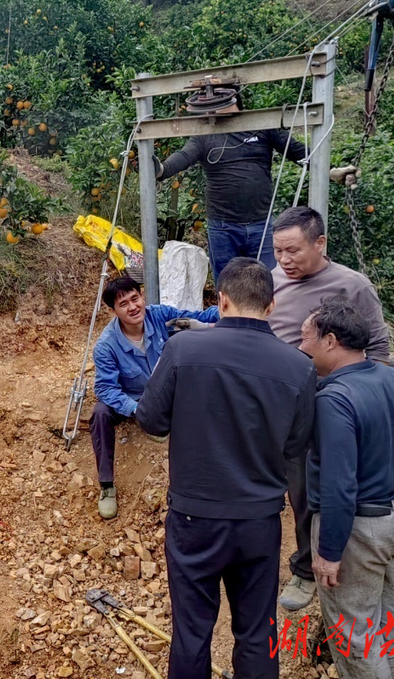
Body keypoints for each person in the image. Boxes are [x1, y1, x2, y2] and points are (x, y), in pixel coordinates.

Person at [136, 257, 317, 679]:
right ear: (271, 306)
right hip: (258, 521)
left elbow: (150, 419)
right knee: (257, 631)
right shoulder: (299, 366)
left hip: (194, 517)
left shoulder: (183, 348)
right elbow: (296, 444)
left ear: (221, 301)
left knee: (192, 632)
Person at [298, 298, 394, 679]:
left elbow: (338, 483)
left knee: (354, 635)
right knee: (384, 622)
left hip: (359, 532)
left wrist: (329, 553)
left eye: (305, 338)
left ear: (329, 341)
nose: (302, 347)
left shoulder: (333, 398)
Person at [267, 205, 391, 612]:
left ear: (320, 243)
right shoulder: (274, 281)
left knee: (313, 489)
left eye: (292, 251)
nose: (284, 261)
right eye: (278, 251)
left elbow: (378, 350)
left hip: (328, 406)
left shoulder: (351, 285)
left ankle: (308, 569)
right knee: (288, 489)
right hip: (278, 404)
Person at [154, 100, 357, 282]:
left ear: (234, 97)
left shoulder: (261, 125)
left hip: (262, 225)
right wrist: (159, 170)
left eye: (216, 97)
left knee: (270, 284)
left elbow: (297, 151)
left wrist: (330, 172)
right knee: (228, 286)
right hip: (223, 228)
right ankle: (231, 324)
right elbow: (182, 157)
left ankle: (270, 324)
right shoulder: (205, 135)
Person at [90, 275, 219, 519]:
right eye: (123, 304)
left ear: (142, 297)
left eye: (135, 298)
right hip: (133, 401)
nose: (133, 307)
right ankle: (107, 486)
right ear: (113, 311)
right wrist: (138, 410)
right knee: (99, 413)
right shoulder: (106, 346)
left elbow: (195, 318)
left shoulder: (160, 316)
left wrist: (228, 311)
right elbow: (106, 389)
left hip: (166, 392)